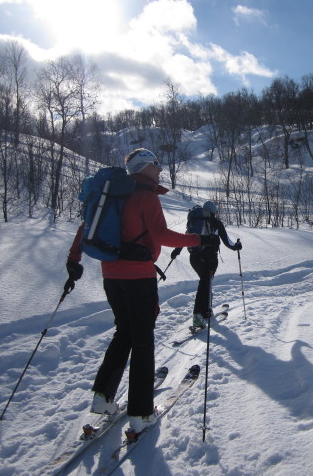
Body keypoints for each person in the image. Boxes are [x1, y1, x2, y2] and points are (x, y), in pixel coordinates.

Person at [66, 148, 218, 434]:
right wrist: (198, 238)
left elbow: (85, 229)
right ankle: (141, 412)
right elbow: (162, 235)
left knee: (123, 333)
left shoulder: (112, 195)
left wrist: (73, 261)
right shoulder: (145, 196)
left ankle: (102, 397)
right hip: (139, 277)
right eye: (156, 164)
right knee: (143, 341)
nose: (160, 169)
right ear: (144, 167)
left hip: (111, 276)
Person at [171, 201, 242, 329]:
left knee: (205, 283)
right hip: (209, 259)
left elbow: (186, 237)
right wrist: (236, 247)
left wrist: (177, 250)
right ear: (214, 211)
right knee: (205, 283)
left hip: (194, 258)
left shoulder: (195, 222)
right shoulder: (215, 223)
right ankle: (199, 315)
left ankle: (205, 311)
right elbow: (227, 242)